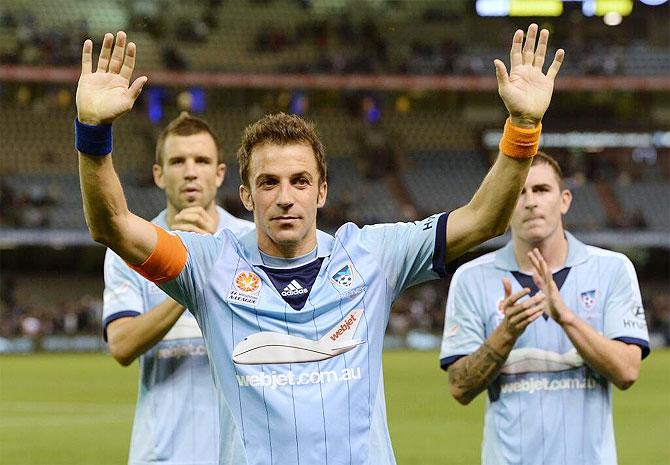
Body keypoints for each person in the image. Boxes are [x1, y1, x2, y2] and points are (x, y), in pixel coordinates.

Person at [75, 25, 564, 465]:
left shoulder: (374, 255)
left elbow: (483, 220)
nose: (285, 197)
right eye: (268, 183)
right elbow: (112, 225)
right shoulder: (208, 265)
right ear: (244, 195)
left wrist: (522, 129)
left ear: (322, 190)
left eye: (300, 181)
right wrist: (93, 134)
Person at [439, 152, 650, 465]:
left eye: (541, 190)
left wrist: (565, 317)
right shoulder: (472, 278)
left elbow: (627, 371)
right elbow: (459, 388)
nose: (530, 202)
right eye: (519, 193)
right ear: (505, 205)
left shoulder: (612, 269)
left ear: (564, 200)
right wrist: (506, 333)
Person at [102, 112, 254, 465]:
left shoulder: (250, 243)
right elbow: (121, 345)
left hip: (241, 452)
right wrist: (189, 273)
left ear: (219, 174)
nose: (190, 171)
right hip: (162, 455)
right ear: (159, 174)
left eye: (201, 161)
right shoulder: (130, 247)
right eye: (177, 161)